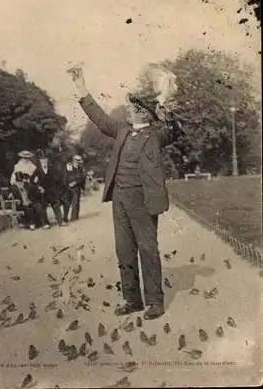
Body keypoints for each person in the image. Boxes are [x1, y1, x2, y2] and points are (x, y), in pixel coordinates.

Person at [69, 66, 185, 320]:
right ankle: (132, 299)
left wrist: (163, 100)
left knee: (147, 248)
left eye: (133, 108)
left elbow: (175, 131)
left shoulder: (156, 134)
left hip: (143, 199)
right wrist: (80, 85)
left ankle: (155, 302)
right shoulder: (121, 129)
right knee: (124, 248)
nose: (128, 111)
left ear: (143, 113)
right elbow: (98, 117)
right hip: (119, 198)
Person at [34, 149, 67, 227]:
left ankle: (60, 221)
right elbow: (32, 180)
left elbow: (58, 177)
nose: (44, 161)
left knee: (56, 205)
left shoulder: (52, 168)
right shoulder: (37, 170)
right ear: (40, 160)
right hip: (43, 191)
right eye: (42, 159)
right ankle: (45, 223)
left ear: (47, 160)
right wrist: (38, 186)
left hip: (52, 190)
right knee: (43, 207)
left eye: (45, 159)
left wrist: (56, 185)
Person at [10, 150, 39, 229]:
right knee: (22, 200)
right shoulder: (17, 166)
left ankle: (32, 221)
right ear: (21, 157)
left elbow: (35, 177)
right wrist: (18, 182)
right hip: (18, 186)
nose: (25, 159)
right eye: (24, 157)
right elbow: (13, 180)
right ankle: (24, 221)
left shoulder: (32, 166)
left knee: (30, 199)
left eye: (27, 158)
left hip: (29, 186)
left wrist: (29, 180)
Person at [63, 154, 86, 222]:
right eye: (77, 160)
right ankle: (65, 217)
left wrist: (75, 182)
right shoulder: (69, 166)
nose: (78, 162)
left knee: (75, 203)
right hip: (67, 187)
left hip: (76, 187)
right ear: (73, 160)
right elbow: (65, 176)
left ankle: (74, 218)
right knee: (66, 202)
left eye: (79, 161)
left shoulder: (81, 169)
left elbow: (82, 178)